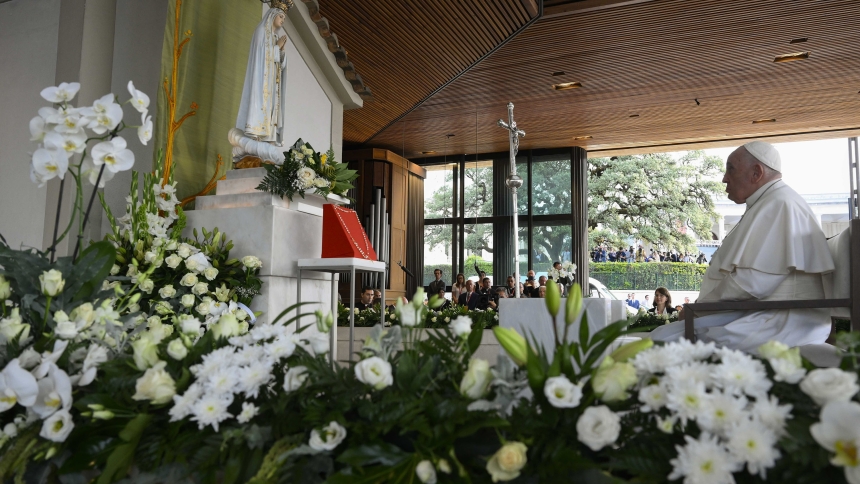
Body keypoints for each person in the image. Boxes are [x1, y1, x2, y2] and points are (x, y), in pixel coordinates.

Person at [651, 141, 835, 352]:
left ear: (756, 172)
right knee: (663, 336)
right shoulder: (770, 201)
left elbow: (751, 283)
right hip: (766, 313)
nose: (724, 178)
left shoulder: (779, 204)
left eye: (731, 169)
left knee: (661, 342)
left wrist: (698, 310)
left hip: (783, 322)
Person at [230, 5, 291, 165]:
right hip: (261, 82)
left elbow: (279, 64)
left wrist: (281, 52)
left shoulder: (273, 36)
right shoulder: (261, 32)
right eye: (281, 17)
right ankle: (255, 137)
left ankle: (267, 140)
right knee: (261, 108)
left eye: (284, 18)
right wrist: (276, 48)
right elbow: (260, 57)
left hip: (272, 85)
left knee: (272, 113)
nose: (282, 20)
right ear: (272, 16)